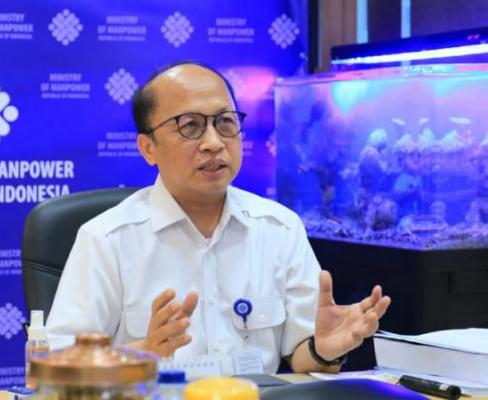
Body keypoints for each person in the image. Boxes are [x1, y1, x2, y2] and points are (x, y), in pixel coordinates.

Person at [46, 61, 391, 373]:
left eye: (225, 122)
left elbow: (302, 354)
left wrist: (323, 350)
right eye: (190, 126)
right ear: (148, 148)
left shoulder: (279, 228)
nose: (213, 142)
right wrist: (143, 352)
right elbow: (57, 365)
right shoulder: (107, 239)